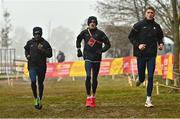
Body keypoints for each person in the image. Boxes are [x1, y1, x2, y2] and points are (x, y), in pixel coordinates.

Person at [128, 6, 164, 107]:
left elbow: (160, 37)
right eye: (148, 12)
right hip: (141, 55)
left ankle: (148, 99)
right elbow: (130, 36)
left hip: (152, 54)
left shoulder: (157, 26)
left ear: (154, 14)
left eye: (152, 12)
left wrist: (160, 44)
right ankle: (140, 79)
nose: (150, 14)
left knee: (151, 76)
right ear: (145, 14)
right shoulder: (138, 25)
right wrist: (138, 45)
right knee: (143, 77)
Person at [76, 16, 111, 108]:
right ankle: (88, 97)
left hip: (97, 58)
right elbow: (78, 39)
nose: (92, 23)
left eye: (94, 22)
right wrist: (78, 49)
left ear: (96, 23)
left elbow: (108, 44)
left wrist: (102, 50)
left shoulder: (100, 33)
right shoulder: (84, 33)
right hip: (87, 57)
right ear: (88, 23)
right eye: (91, 22)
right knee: (88, 76)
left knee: (94, 78)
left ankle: (93, 96)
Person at [24, 27, 52, 110]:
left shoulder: (45, 43)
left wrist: (42, 49)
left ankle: (40, 98)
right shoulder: (29, 42)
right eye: (35, 34)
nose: (37, 35)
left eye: (39, 34)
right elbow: (26, 49)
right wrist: (27, 55)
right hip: (32, 66)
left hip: (42, 67)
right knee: (33, 81)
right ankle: (36, 98)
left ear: (41, 34)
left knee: (40, 83)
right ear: (33, 34)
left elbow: (50, 54)